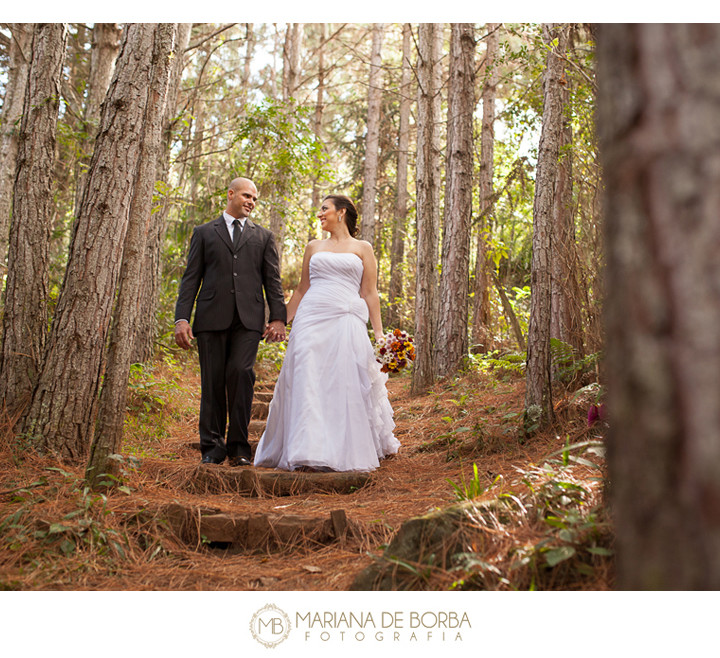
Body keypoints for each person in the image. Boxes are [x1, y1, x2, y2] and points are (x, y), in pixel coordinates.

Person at [254, 194, 400, 472]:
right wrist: (279, 321)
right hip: (311, 316)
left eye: (324, 209)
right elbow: (301, 290)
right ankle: (305, 448)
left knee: (342, 380)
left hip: (346, 320)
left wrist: (379, 334)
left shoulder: (363, 248)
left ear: (341, 212)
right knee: (307, 372)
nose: (320, 214)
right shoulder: (313, 246)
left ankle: (339, 447)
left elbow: (369, 292)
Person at [174, 177, 287, 466]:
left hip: (249, 320)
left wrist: (277, 318)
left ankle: (239, 448)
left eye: (255, 199)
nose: (251, 201)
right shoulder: (203, 233)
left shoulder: (263, 237)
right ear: (231, 194)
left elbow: (272, 281)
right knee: (213, 382)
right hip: (211, 318)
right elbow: (191, 279)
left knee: (240, 372)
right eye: (247, 196)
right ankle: (212, 448)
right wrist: (182, 319)